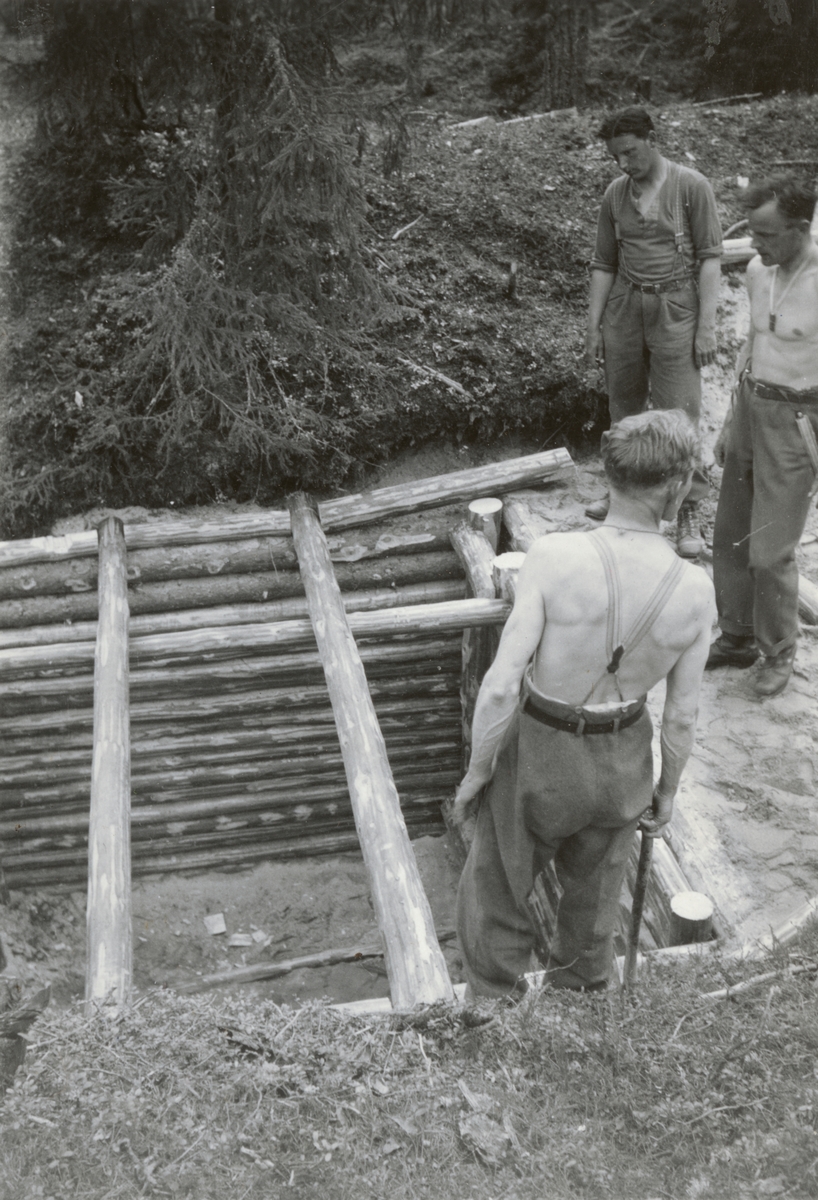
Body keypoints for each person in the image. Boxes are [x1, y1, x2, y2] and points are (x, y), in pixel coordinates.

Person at [454, 410, 714, 998]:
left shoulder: (554, 557)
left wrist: (478, 772)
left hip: (543, 746)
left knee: (498, 882)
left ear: (608, 477)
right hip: (624, 753)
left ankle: (491, 1002)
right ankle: (581, 998)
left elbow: (500, 685)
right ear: (676, 487)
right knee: (597, 898)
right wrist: (665, 790)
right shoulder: (696, 591)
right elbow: (680, 717)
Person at [585, 107, 723, 559]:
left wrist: (706, 327)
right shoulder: (615, 195)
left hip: (676, 307)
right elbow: (604, 263)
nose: (624, 164)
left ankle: (687, 507)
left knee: (679, 413)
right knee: (622, 406)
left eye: (630, 152)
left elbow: (710, 259)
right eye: (616, 157)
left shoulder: (691, 187)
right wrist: (594, 325)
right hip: (625, 306)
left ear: (651, 139)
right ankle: (619, 494)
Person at [707, 176, 818, 698]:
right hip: (752, 405)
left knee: (770, 550)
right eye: (751, 233)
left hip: (798, 419)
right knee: (731, 531)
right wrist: (732, 419)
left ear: (800, 228)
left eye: (767, 235)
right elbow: (752, 341)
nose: (755, 244)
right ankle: (736, 635)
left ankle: (779, 652)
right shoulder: (757, 269)